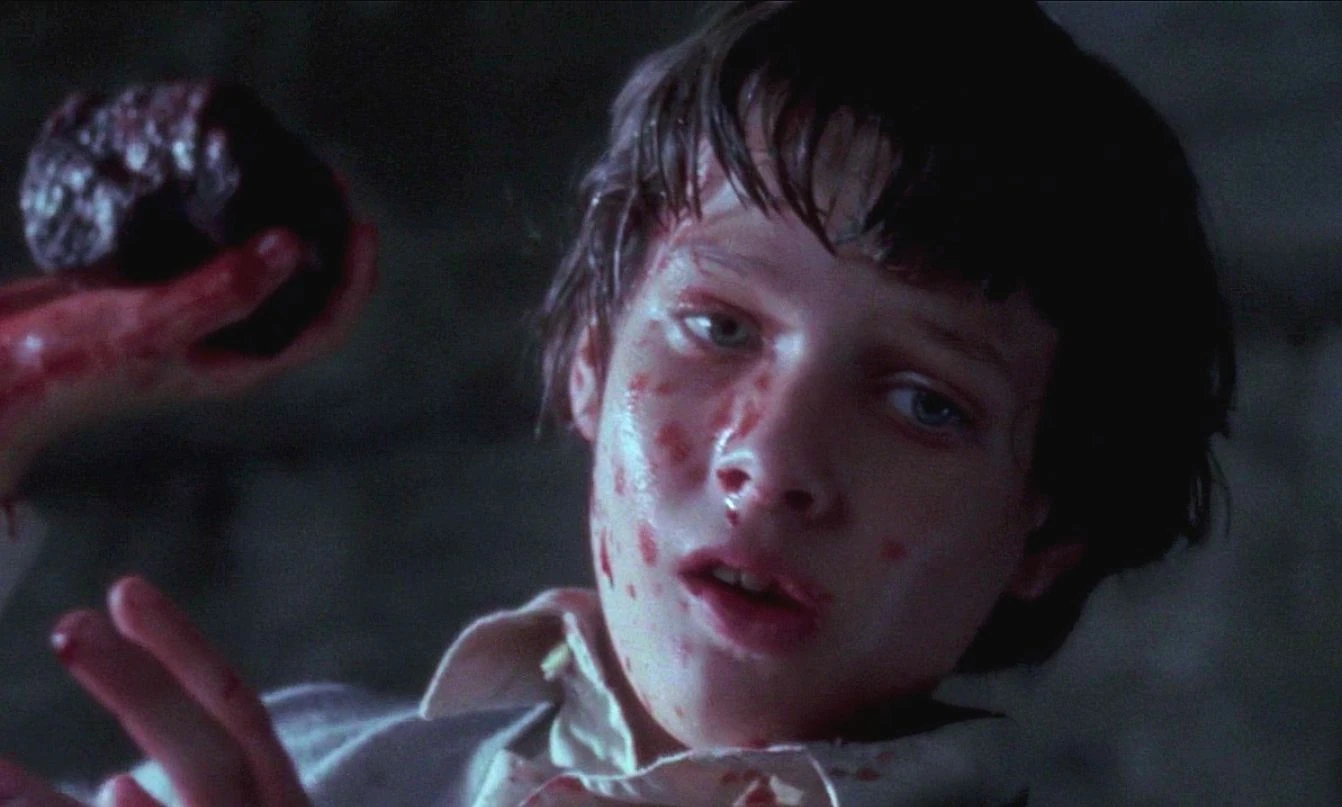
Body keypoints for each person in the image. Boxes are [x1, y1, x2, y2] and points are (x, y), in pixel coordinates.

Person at [0, 2, 1236, 805]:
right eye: (718, 328)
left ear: (1049, 527)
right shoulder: (293, 772)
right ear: (589, 357)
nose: (772, 459)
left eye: (924, 403)